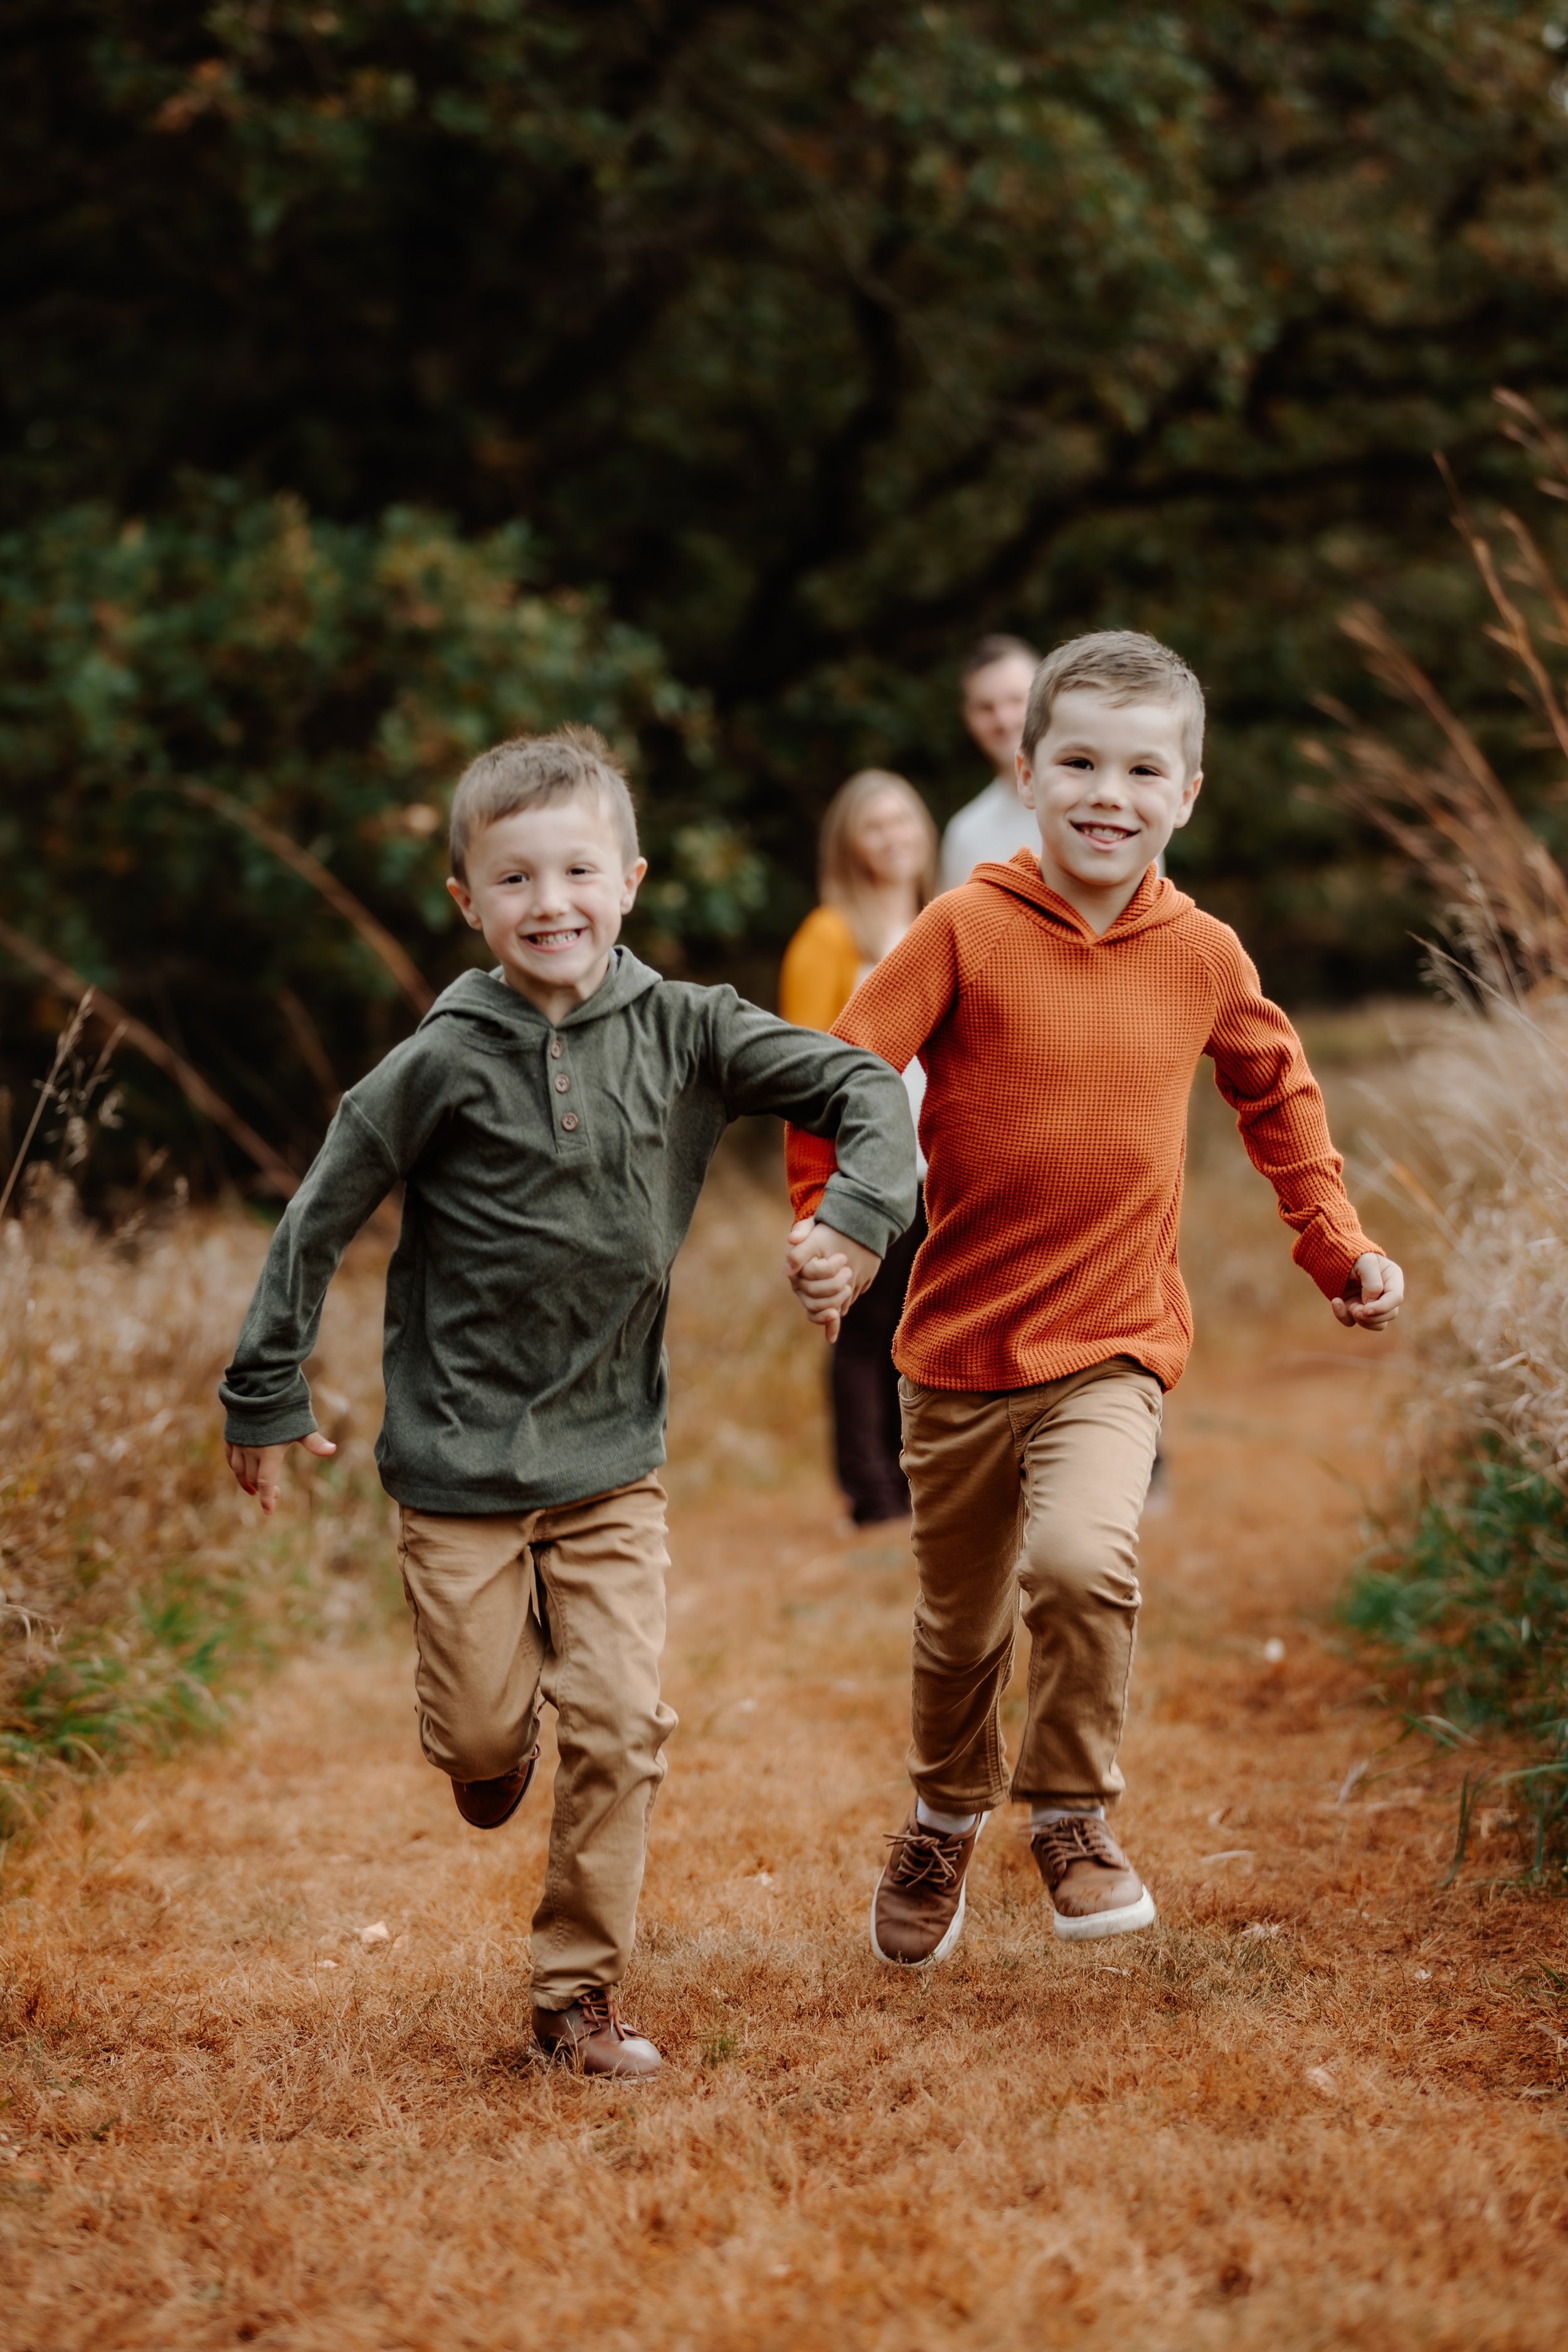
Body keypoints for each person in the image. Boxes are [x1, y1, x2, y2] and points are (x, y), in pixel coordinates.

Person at [219, 728, 915, 2076]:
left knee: (619, 1723)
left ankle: (574, 2001)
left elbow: (860, 1082)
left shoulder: (689, 1029)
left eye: (578, 871)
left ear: (631, 878)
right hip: (458, 1463)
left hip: (611, 1462)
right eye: (517, 878)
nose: (552, 903)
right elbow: (321, 1209)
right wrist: (263, 1387)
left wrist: (858, 1217)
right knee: (488, 1732)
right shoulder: (441, 1059)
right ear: (466, 901)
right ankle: (483, 1750)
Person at [782, 632, 1403, 1966]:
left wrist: (1336, 1247)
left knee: (1079, 1562)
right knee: (957, 1626)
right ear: (1024, 770)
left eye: (1140, 769)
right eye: (1075, 762)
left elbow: (1277, 1099)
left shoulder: (1201, 953)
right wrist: (828, 1232)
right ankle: (943, 1815)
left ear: (1186, 790)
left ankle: (1068, 1810)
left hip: (1111, 1343)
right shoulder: (961, 926)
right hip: (952, 1346)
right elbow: (837, 1077)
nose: (1105, 793)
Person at [779, 771, 938, 1525]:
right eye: (873, 826)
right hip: (869, 1170)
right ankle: (872, 1493)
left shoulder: (944, 920)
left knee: (926, 1326)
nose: (893, 838)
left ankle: (923, 1478)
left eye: (903, 820)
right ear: (848, 843)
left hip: (943, 1165)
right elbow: (804, 1069)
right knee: (864, 1331)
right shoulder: (827, 935)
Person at [938, 635, 1041, 890]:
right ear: (968, 719)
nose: (1003, 720)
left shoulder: (1100, 802)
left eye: (1016, 700)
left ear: (1044, 699)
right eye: (986, 708)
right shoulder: (966, 834)